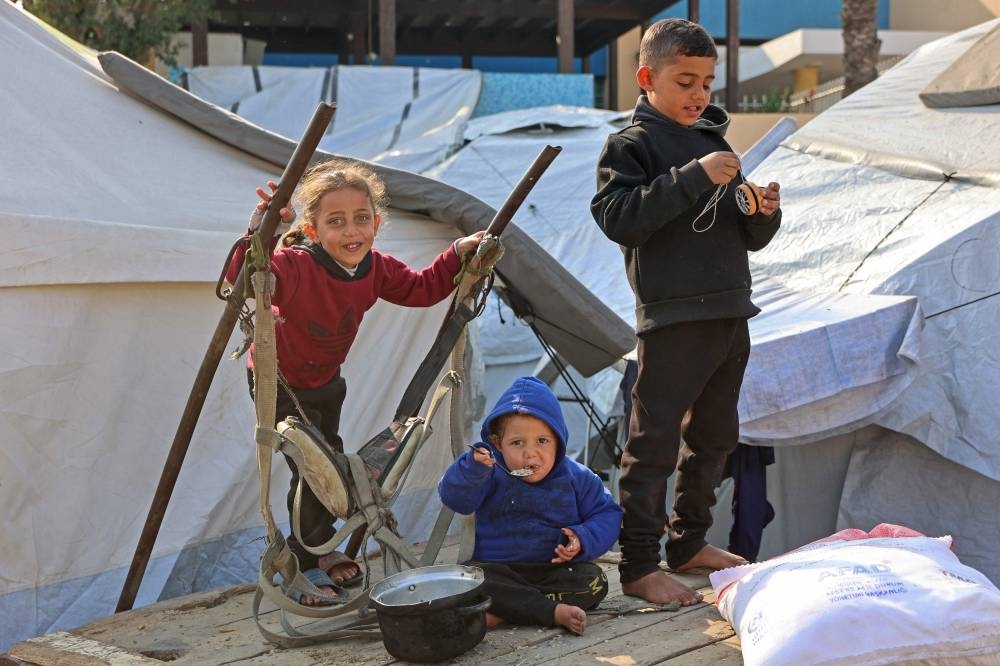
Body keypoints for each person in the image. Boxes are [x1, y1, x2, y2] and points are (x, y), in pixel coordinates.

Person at [227, 159, 485, 606]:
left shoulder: (376, 269)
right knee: (313, 471)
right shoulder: (294, 265)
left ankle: (316, 545)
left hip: (326, 381)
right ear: (312, 229)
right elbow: (243, 278)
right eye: (336, 222)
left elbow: (423, 289)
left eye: (361, 219)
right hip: (280, 383)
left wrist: (457, 252)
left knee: (332, 470)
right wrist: (263, 229)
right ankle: (307, 558)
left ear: (377, 224)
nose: (352, 232)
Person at [590, 18, 782, 606]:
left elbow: (748, 239)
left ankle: (689, 541)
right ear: (647, 78)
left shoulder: (714, 141)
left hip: (731, 311)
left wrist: (762, 211)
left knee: (716, 436)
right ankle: (640, 565)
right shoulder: (631, 145)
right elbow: (618, 217)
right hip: (672, 318)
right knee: (652, 444)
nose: (700, 94)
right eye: (685, 81)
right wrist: (692, 177)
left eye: (707, 82)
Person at [438, 376, 623, 635]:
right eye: (517, 443)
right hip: (499, 571)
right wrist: (471, 469)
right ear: (496, 442)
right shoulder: (488, 472)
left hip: (553, 572)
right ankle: (548, 611)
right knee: (472, 578)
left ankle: (505, 611)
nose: (530, 453)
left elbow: (608, 514)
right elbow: (455, 498)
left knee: (594, 581)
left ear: (559, 440)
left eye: (542, 441)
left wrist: (583, 539)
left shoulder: (578, 477)